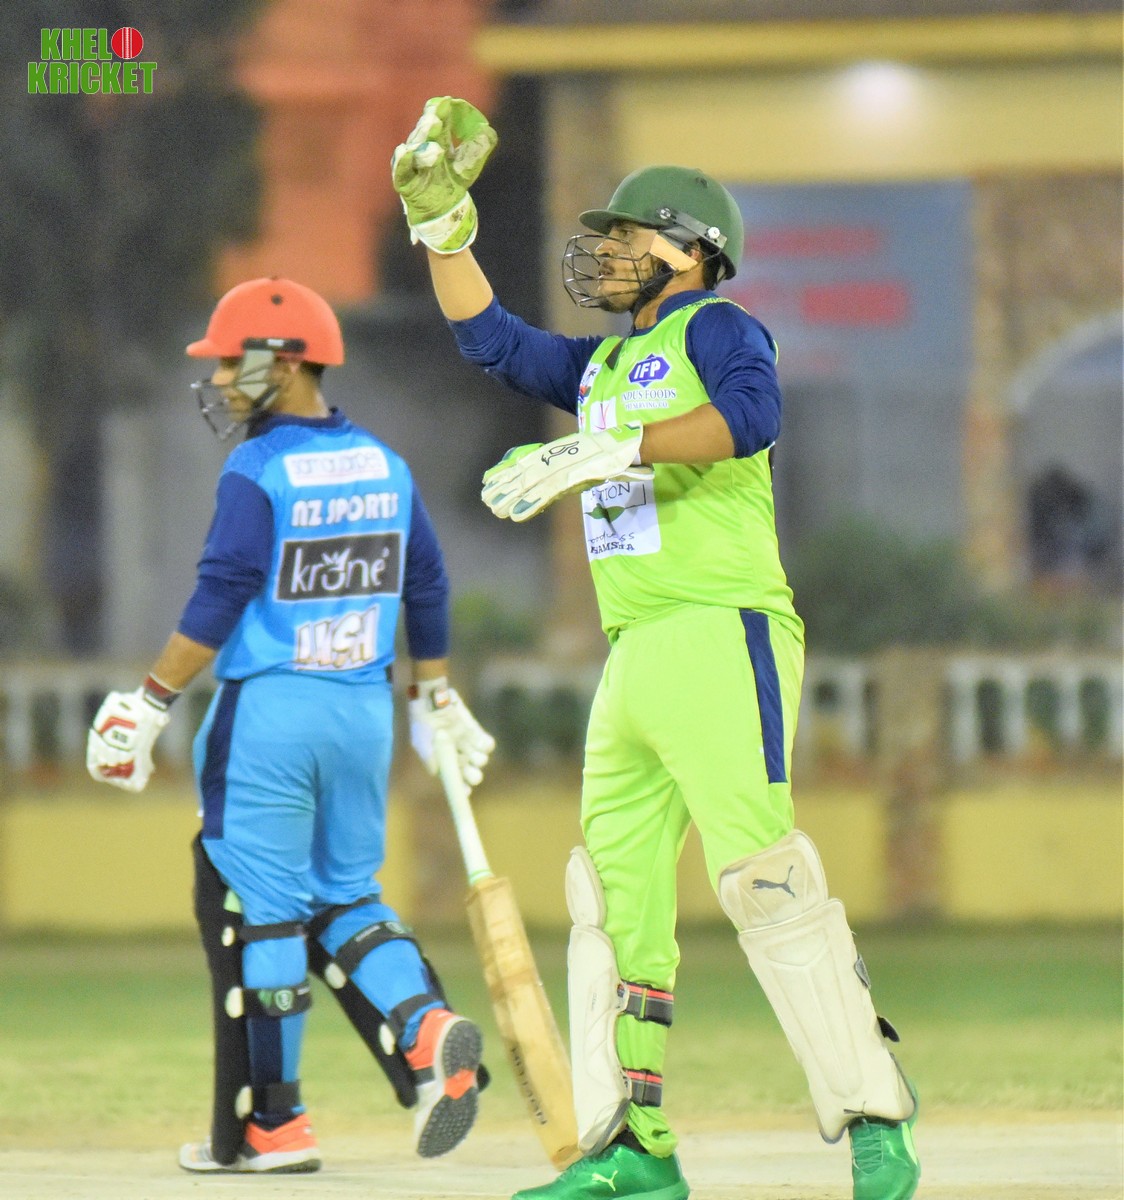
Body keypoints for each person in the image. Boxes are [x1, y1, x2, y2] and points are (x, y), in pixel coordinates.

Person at [391, 97, 921, 1200]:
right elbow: (493, 342)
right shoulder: (602, 364)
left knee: (766, 881)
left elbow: (752, 417)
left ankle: (877, 1121)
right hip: (632, 652)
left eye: (628, 235)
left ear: (692, 250)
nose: (607, 252)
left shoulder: (719, 329)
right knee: (611, 903)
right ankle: (632, 1147)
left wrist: (612, 448)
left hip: (723, 627)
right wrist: (442, 229)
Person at [86, 276, 495, 1175]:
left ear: (282, 363)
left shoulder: (259, 468)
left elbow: (223, 591)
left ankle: (275, 1126)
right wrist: (435, 693)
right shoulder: (385, 464)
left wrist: (148, 701)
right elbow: (426, 582)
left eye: (230, 362)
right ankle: (427, 1029)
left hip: (271, 713)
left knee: (261, 911)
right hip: (361, 711)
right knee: (348, 896)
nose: (219, 380)